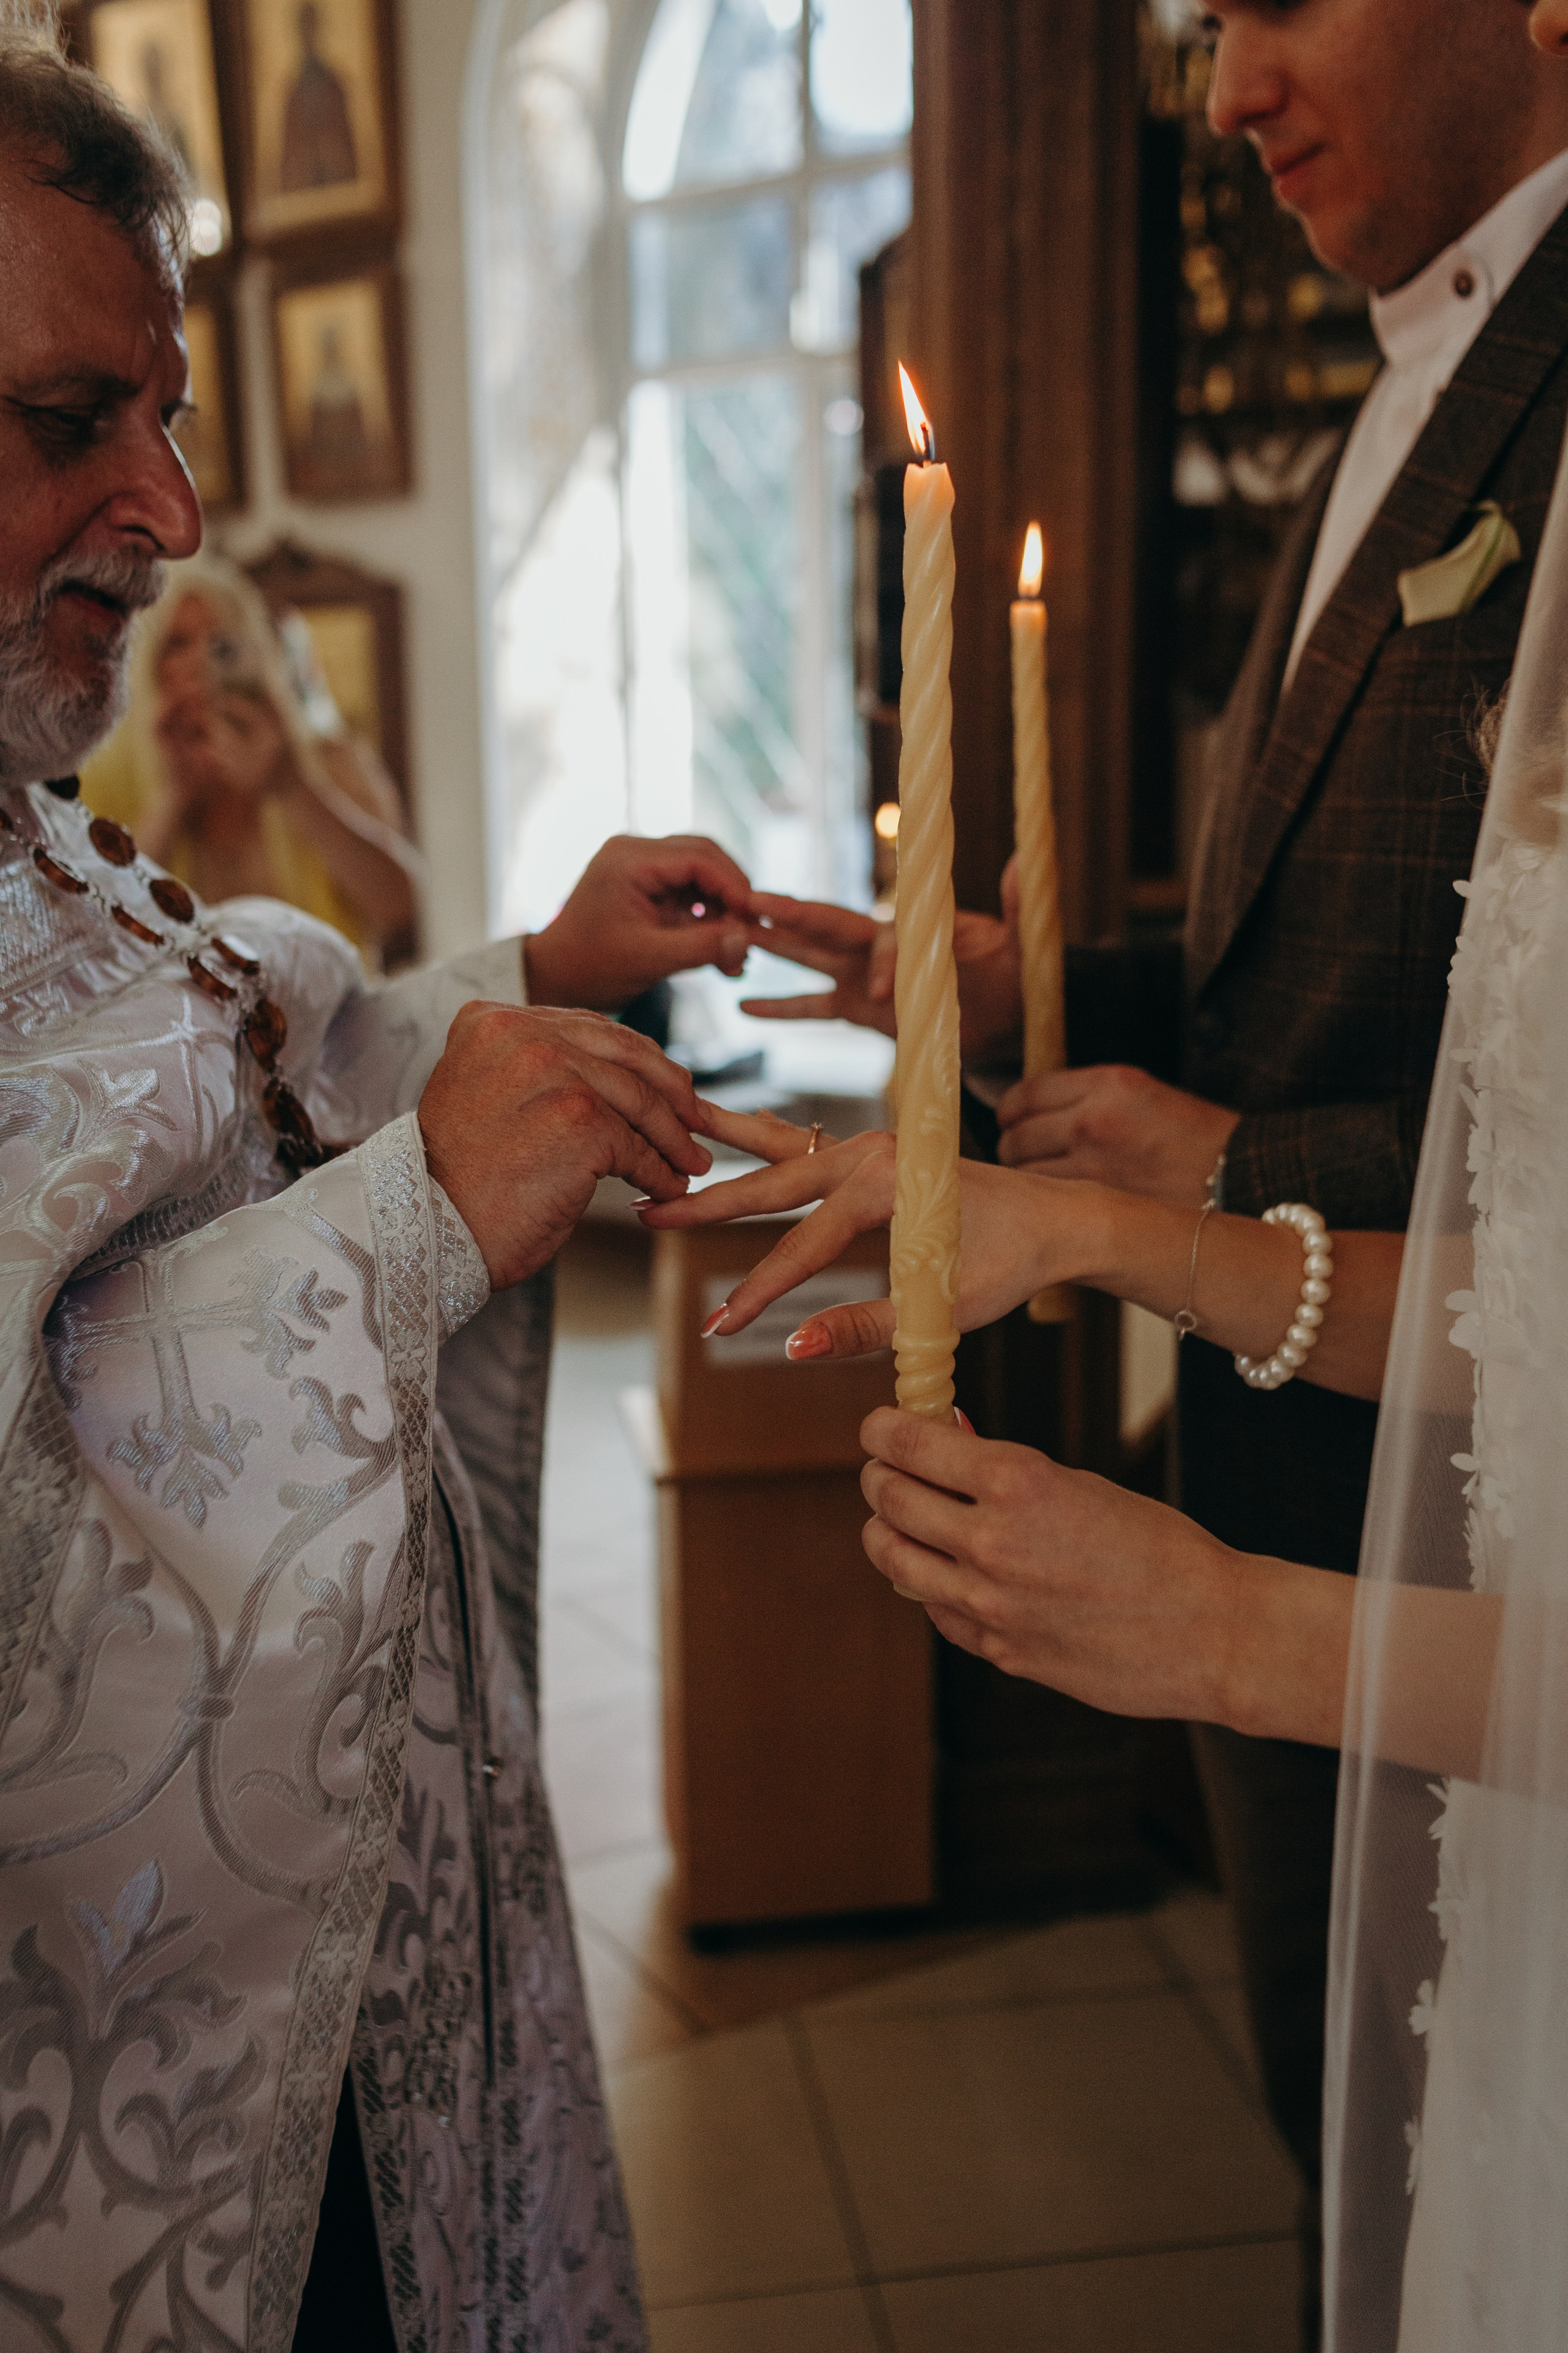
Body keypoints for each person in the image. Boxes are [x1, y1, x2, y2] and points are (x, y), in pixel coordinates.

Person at [744, 0, 1568, 2314]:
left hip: (1468, 1506)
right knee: (1359, 2139)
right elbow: (1334, 949)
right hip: (1298, 1445)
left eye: (1276, 6)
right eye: (1201, 26)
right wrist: (1035, 1002)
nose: (1219, 92)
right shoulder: (1372, 406)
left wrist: (1215, 1176)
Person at [0, 20, 758, 2347]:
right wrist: (403, 1227)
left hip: (307, 1949)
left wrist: (524, 977)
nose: (171, 510)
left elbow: (219, 1089)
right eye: (65, 424)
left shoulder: (29, 820)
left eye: (173, 413)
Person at [80, 554, 423, 965]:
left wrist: (292, 786)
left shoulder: (333, 761)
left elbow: (402, 910)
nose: (199, 663)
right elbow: (94, 939)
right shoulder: (102, 781)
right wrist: (172, 798)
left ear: (257, 654)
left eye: (221, 645)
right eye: (177, 644)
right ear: (145, 663)